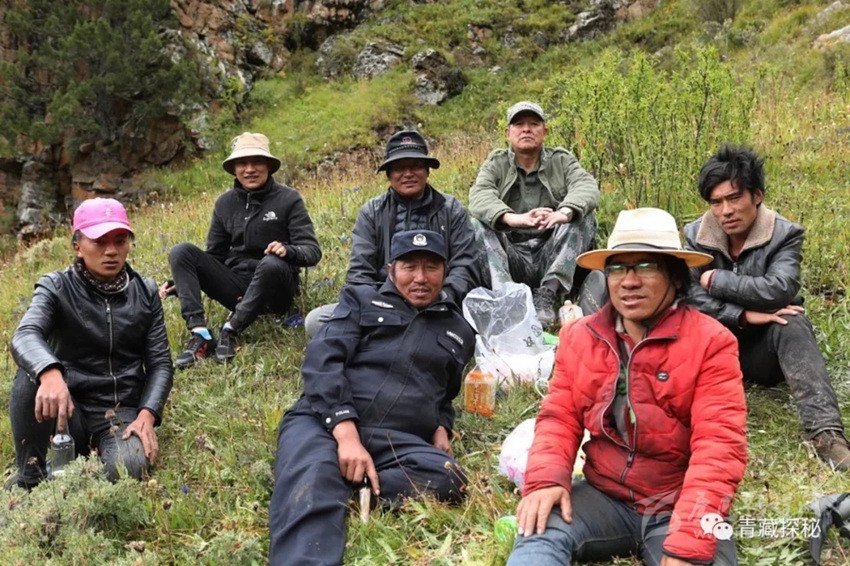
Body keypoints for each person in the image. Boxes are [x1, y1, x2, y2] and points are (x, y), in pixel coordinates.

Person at [507, 208, 747, 566]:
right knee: (537, 535)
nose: (628, 281)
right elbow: (559, 416)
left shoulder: (711, 342)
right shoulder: (580, 336)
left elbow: (719, 445)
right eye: (617, 268)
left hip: (676, 503)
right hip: (603, 495)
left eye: (646, 267)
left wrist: (689, 540)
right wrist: (546, 480)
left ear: (675, 277)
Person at [269, 230, 475, 566]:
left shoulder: (459, 330)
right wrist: (346, 434)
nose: (421, 278)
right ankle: (321, 497)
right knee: (309, 484)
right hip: (324, 422)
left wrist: (441, 424)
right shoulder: (360, 299)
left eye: (431, 267)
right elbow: (322, 361)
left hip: (398, 440)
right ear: (391, 269)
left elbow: (445, 394)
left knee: (450, 477)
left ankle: (353, 487)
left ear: (445, 271)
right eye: (409, 267)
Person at [685, 144, 850, 470]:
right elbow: (688, 294)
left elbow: (780, 288)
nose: (725, 211)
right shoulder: (696, 235)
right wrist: (743, 315)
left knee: (792, 321)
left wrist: (716, 279)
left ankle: (826, 435)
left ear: (757, 196)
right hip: (709, 349)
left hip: (761, 354)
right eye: (716, 202)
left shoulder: (784, 233)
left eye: (734, 198)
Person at [9, 198, 173, 489]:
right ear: (77, 246)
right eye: (99, 241)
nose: (111, 251)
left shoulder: (146, 292)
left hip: (119, 412)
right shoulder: (56, 286)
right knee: (31, 373)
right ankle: (30, 480)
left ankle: (71, 475)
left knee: (131, 466)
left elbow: (160, 363)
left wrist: (148, 413)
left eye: (120, 240)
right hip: (66, 407)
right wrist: (50, 373)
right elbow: (26, 334)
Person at [161, 132, 322, 367]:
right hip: (236, 288)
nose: (249, 169)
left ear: (268, 165)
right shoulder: (224, 203)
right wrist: (184, 280)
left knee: (271, 263)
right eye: (242, 163)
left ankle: (231, 329)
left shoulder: (289, 199)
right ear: (234, 168)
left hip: (276, 289)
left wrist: (287, 251)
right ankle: (200, 334)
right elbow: (214, 256)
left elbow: (312, 251)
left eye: (257, 162)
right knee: (181, 252)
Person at [303, 129, 480, 338]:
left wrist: (444, 297)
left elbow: (465, 265)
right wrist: (379, 304)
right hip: (384, 303)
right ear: (388, 174)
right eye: (399, 168)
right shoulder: (372, 212)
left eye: (416, 166)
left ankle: (393, 337)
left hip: (440, 301)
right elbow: (360, 273)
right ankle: (412, 334)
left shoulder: (451, 210)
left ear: (427, 170)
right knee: (316, 321)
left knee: (480, 319)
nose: (408, 174)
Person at [468, 100, 601, 326]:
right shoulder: (496, 164)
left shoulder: (561, 160)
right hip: (514, 257)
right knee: (478, 224)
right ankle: (508, 300)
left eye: (533, 124)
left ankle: (548, 294)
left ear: (544, 131)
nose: (526, 129)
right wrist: (514, 219)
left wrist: (564, 213)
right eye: (519, 124)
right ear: (508, 133)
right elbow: (479, 196)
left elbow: (586, 186)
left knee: (582, 216)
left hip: (554, 254)